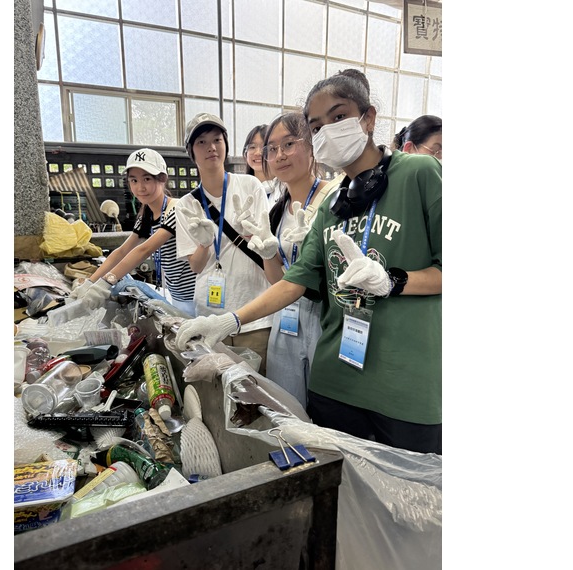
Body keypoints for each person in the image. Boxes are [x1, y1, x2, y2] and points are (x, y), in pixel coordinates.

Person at [175, 70, 442, 455]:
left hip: (406, 387)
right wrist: (228, 321)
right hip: (336, 383)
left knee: (409, 490)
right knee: (336, 484)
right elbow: (293, 281)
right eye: (316, 126)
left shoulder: (419, 174)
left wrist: (393, 281)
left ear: (368, 118)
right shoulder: (335, 206)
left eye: (339, 116)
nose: (328, 131)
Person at [174, 113, 275, 376]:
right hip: (209, 320)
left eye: (217, 140)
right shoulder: (186, 205)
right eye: (201, 142)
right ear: (191, 152)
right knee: (217, 389)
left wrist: (252, 235)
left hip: (253, 318)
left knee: (255, 391)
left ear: (226, 145)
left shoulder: (250, 186)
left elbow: (264, 243)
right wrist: (205, 243)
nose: (211, 147)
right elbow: (196, 267)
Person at [252, 111, 334, 408]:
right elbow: (278, 281)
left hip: (325, 316)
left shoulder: (334, 198)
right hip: (285, 313)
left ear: (311, 145)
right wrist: (268, 254)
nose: (280, 155)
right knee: (286, 406)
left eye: (289, 144)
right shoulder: (276, 209)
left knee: (327, 409)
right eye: (272, 148)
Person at [69, 148, 196, 316]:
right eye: (134, 180)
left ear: (162, 179)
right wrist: (90, 283)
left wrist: (104, 284)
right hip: (176, 295)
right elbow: (122, 251)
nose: (140, 187)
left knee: (122, 285)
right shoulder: (147, 215)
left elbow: (144, 250)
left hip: (195, 299)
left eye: (147, 179)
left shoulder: (177, 209)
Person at [242, 124, 282, 206]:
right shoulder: (240, 189)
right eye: (252, 147)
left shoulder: (286, 189)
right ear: (246, 153)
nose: (258, 153)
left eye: (264, 147)